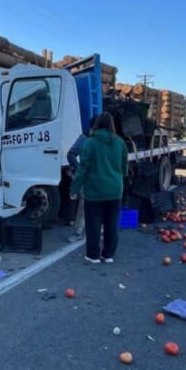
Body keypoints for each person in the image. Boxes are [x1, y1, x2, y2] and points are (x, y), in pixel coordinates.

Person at [70, 113, 129, 264]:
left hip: (94, 191)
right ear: (111, 124)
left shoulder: (90, 143)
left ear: (96, 124)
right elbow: (124, 167)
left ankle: (93, 255)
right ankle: (108, 255)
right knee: (111, 224)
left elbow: (83, 168)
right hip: (115, 190)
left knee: (93, 224)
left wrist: (74, 188)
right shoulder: (120, 142)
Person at [65, 131, 89, 243]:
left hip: (88, 177)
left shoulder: (85, 139)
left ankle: (78, 232)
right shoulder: (110, 140)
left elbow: (71, 154)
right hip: (100, 178)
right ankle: (101, 231)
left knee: (84, 204)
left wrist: (79, 169)